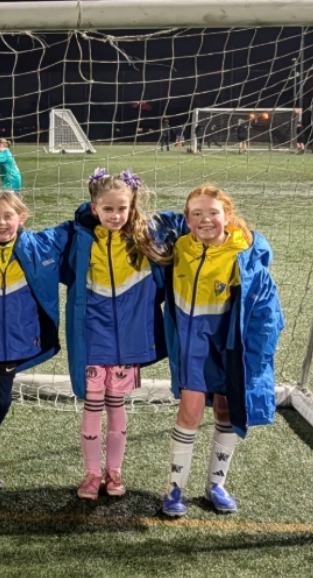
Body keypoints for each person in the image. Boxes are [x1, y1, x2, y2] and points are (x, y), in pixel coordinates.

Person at [160, 184, 284, 517]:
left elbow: (267, 312)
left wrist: (256, 358)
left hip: (227, 348)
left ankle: (216, 484)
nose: (205, 220)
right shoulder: (180, 247)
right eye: (196, 214)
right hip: (192, 349)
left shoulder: (244, 255)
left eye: (213, 213)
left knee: (226, 412)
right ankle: (174, 490)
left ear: (227, 216)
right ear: (186, 220)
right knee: (190, 410)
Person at [62, 168, 182, 500]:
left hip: (129, 341)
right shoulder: (82, 239)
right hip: (93, 338)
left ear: (132, 207)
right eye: (108, 209)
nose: (115, 215)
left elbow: (183, 221)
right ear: (94, 208)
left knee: (116, 404)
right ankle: (90, 474)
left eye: (122, 208)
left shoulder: (145, 237)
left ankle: (114, 472)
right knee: (92, 405)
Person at [0, 191, 70, 490]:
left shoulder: (37, 247)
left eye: (8, 216)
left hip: (12, 345)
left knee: (1, 404)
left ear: (22, 218)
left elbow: (73, 228)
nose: (1, 222)